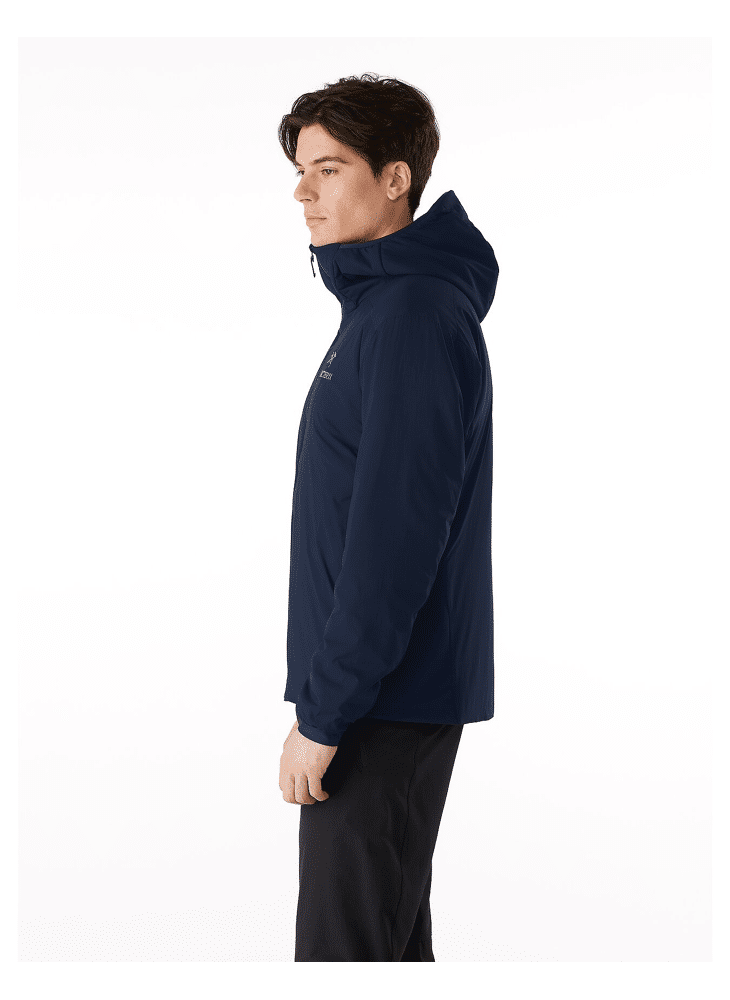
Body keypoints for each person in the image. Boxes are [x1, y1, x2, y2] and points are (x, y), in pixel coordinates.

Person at [276, 72, 499, 961]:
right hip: (377, 690)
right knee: (390, 956)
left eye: (328, 169)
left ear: (396, 178)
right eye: (300, 172)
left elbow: (394, 539)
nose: (303, 193)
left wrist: (325, 715)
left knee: (345, 959)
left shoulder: (411, 313)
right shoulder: (384, 308)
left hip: (380, 699)